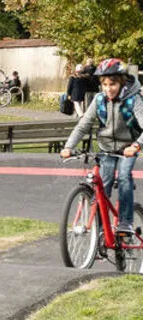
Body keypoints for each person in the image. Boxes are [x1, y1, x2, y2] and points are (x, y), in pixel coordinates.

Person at [60, 58, 143, 235]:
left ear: (121, 82)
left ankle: (125, 222)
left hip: (127, 149)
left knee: (123, 178)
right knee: (102, 185)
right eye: (104, 84)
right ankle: (99, 229)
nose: (108, 89)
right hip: (106, 149)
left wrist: (136, 146)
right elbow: (83, 125)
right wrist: (68, 146)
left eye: (112, 84)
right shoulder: (99, 100)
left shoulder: (133, 100)